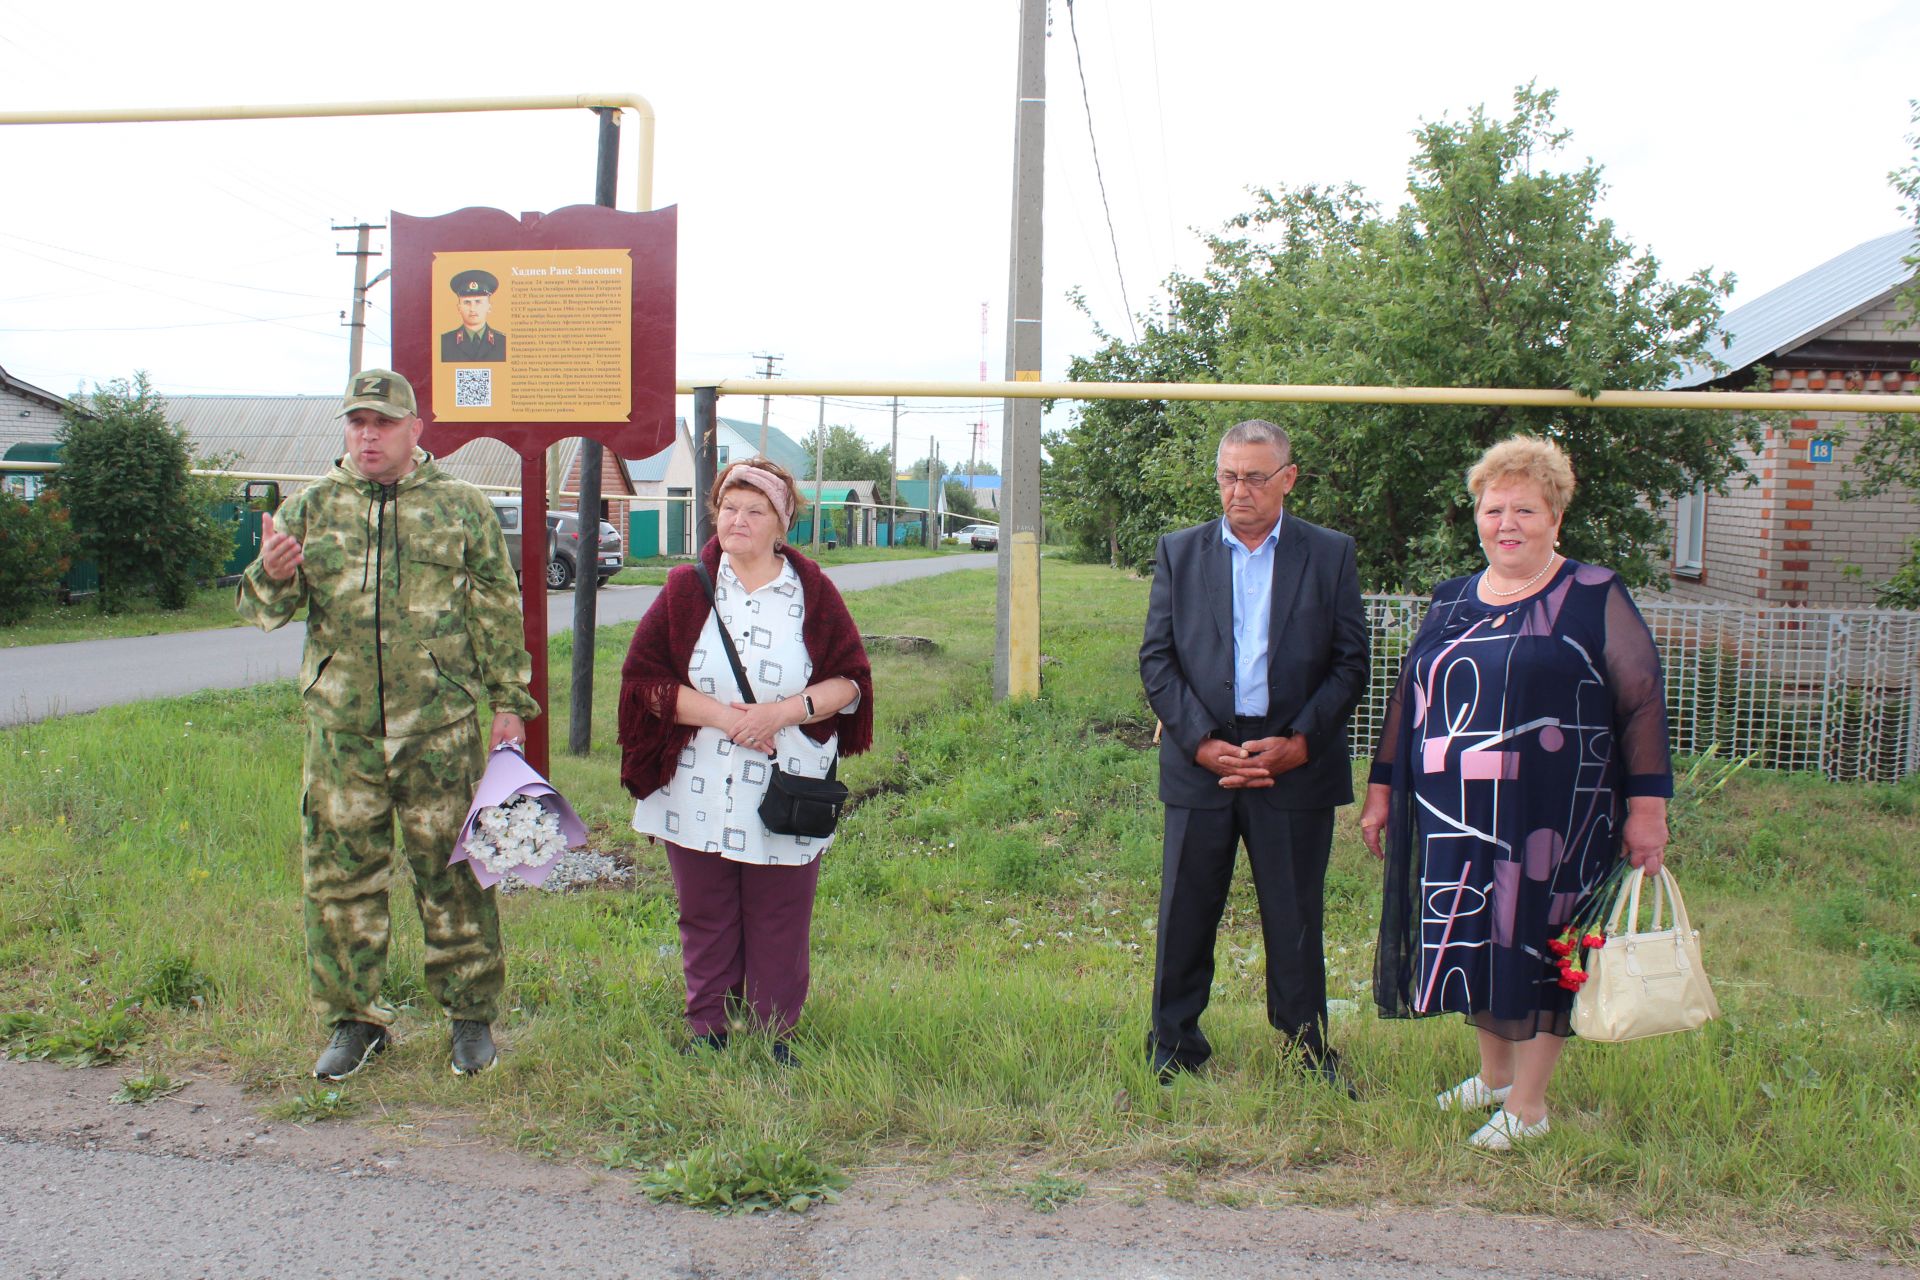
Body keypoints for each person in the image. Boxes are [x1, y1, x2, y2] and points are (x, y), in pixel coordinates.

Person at [1358, 435, 1672, 1150]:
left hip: (1556, 816)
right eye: (1493, 508)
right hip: (1454, 813)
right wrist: (1382, 788)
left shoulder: (1591, 594)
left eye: (1525, 509)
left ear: (1555, 516)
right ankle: (1494, 1077)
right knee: (1475, 933)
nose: (1508, 522)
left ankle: (1529, 1106)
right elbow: (1410, 698)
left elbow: (1641, 698)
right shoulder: (1451, 600)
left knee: (1538, 940)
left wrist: (1648, 808)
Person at [237, 368, 537, 1081]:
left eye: (382, 424)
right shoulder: (311, 510)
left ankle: (470, 1021)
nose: (368, 436)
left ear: (414, 430)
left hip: (440, 726)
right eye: (357, 423)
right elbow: (261, 612)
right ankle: (354, 1021)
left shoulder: (461, 508)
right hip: (343, 730)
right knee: (341, 878)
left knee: (455, 874)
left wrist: (508, 703)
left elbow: (498, 608)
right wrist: (273, 573)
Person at [617, 457, 873, 1065]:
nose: (738, 519)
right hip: (696, 782)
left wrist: (782, 713)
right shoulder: (686, 589)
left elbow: (852, 684)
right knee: (704, 909)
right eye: (729, 507)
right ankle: (707, 1024)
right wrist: (729, 718)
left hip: (784, 782)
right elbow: (643, 683)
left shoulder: (813, 593)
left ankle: (773, 1032)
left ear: (781, 523)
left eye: (755, 510)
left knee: (779, 913)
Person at [1138, 419, 1368, 1090]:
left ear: (1287, 479)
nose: (1239, 490)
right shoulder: (1180, 553)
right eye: (1228, 476)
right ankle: (1174, 1049)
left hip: (1293, 765)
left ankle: (1306, 1053)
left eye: (1254, 477)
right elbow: (1158, 658)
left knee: (1295, 920)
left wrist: (1300, 743)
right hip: (1201, 761)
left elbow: (1351, 662)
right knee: (1185, 913)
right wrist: (1203, 744)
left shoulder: (1329, 555)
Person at [440, 268, 506, 362]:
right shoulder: (444, 343)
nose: (472, 309)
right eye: (467, 302)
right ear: (459, 308)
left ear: (489, 307)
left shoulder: (504, 343)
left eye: (478, 302)